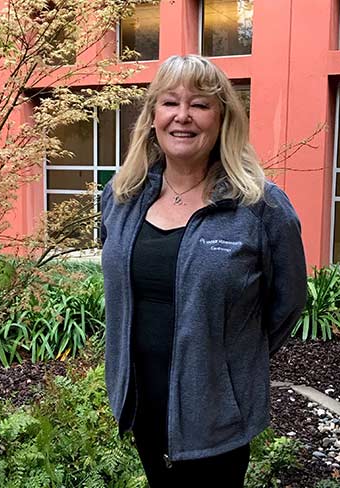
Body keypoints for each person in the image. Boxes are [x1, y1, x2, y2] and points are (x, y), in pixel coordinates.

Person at [100, 54, 307, 487]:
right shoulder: (121, 196)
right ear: (153, 116)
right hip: (143, 404)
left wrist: (232, 363)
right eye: (170, 103)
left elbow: (286, 303)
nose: (182, 116)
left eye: (200, 104)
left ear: (222, 118)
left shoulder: (261, 207)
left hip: (215, 413)